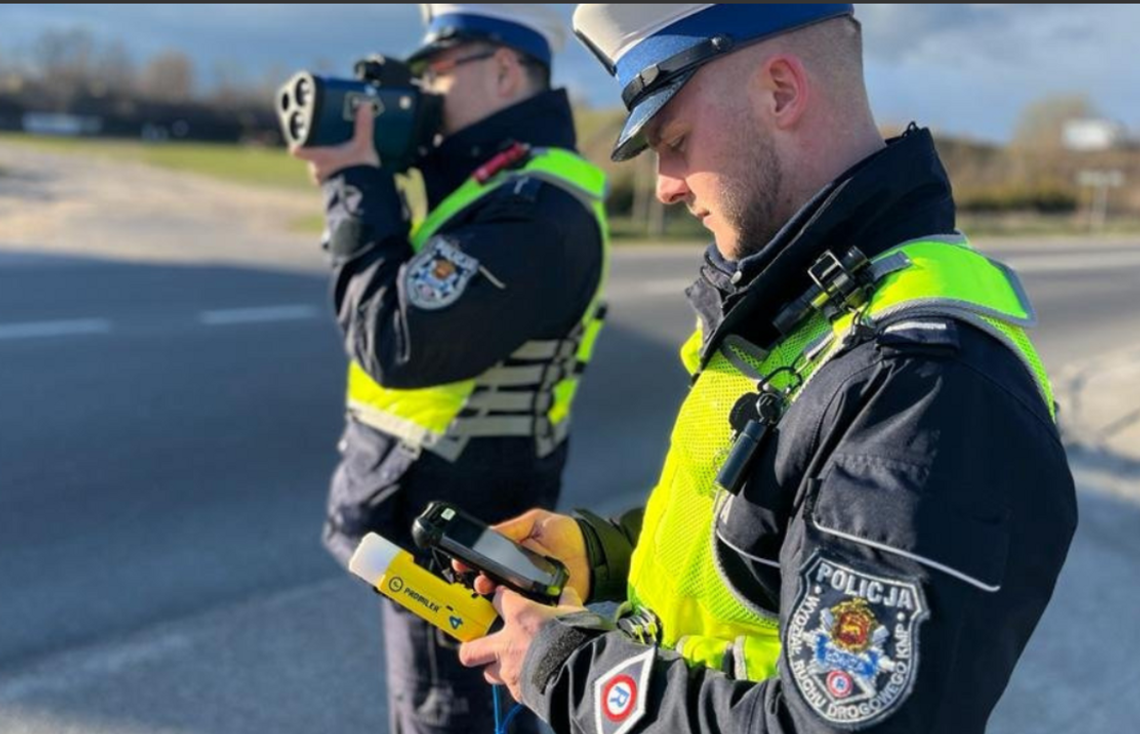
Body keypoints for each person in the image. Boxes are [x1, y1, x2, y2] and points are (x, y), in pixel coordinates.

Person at [457, 4, 1078, 733]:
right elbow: (770, 535)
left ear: (781, 91)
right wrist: (608, 555)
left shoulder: (927, 386)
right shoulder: (808, 302)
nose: (665, 184)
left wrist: (570, 672)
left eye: (676, 140)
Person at [291, 4, 609, 733]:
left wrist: (353, 182)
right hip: (429, 529)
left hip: (462, 548)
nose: (424, 92)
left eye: (437, 70)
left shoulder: (534, 210)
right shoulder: (492, 190)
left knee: (447, 716)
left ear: (503, 69)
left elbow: (396, 340)